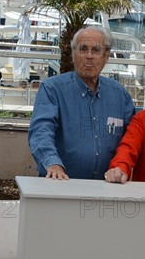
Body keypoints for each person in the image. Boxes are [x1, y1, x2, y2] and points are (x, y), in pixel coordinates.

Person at [28, 26, 135, 180]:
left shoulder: (120, 95)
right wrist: (53, 163)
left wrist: (122, 166)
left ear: (106, 56)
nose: (89, 56)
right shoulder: (52, 89)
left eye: (96, 50)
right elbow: (41, 131)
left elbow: (132, 139)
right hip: (60, 185)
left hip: (106, 189)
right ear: (73, 55)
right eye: (83, 49)